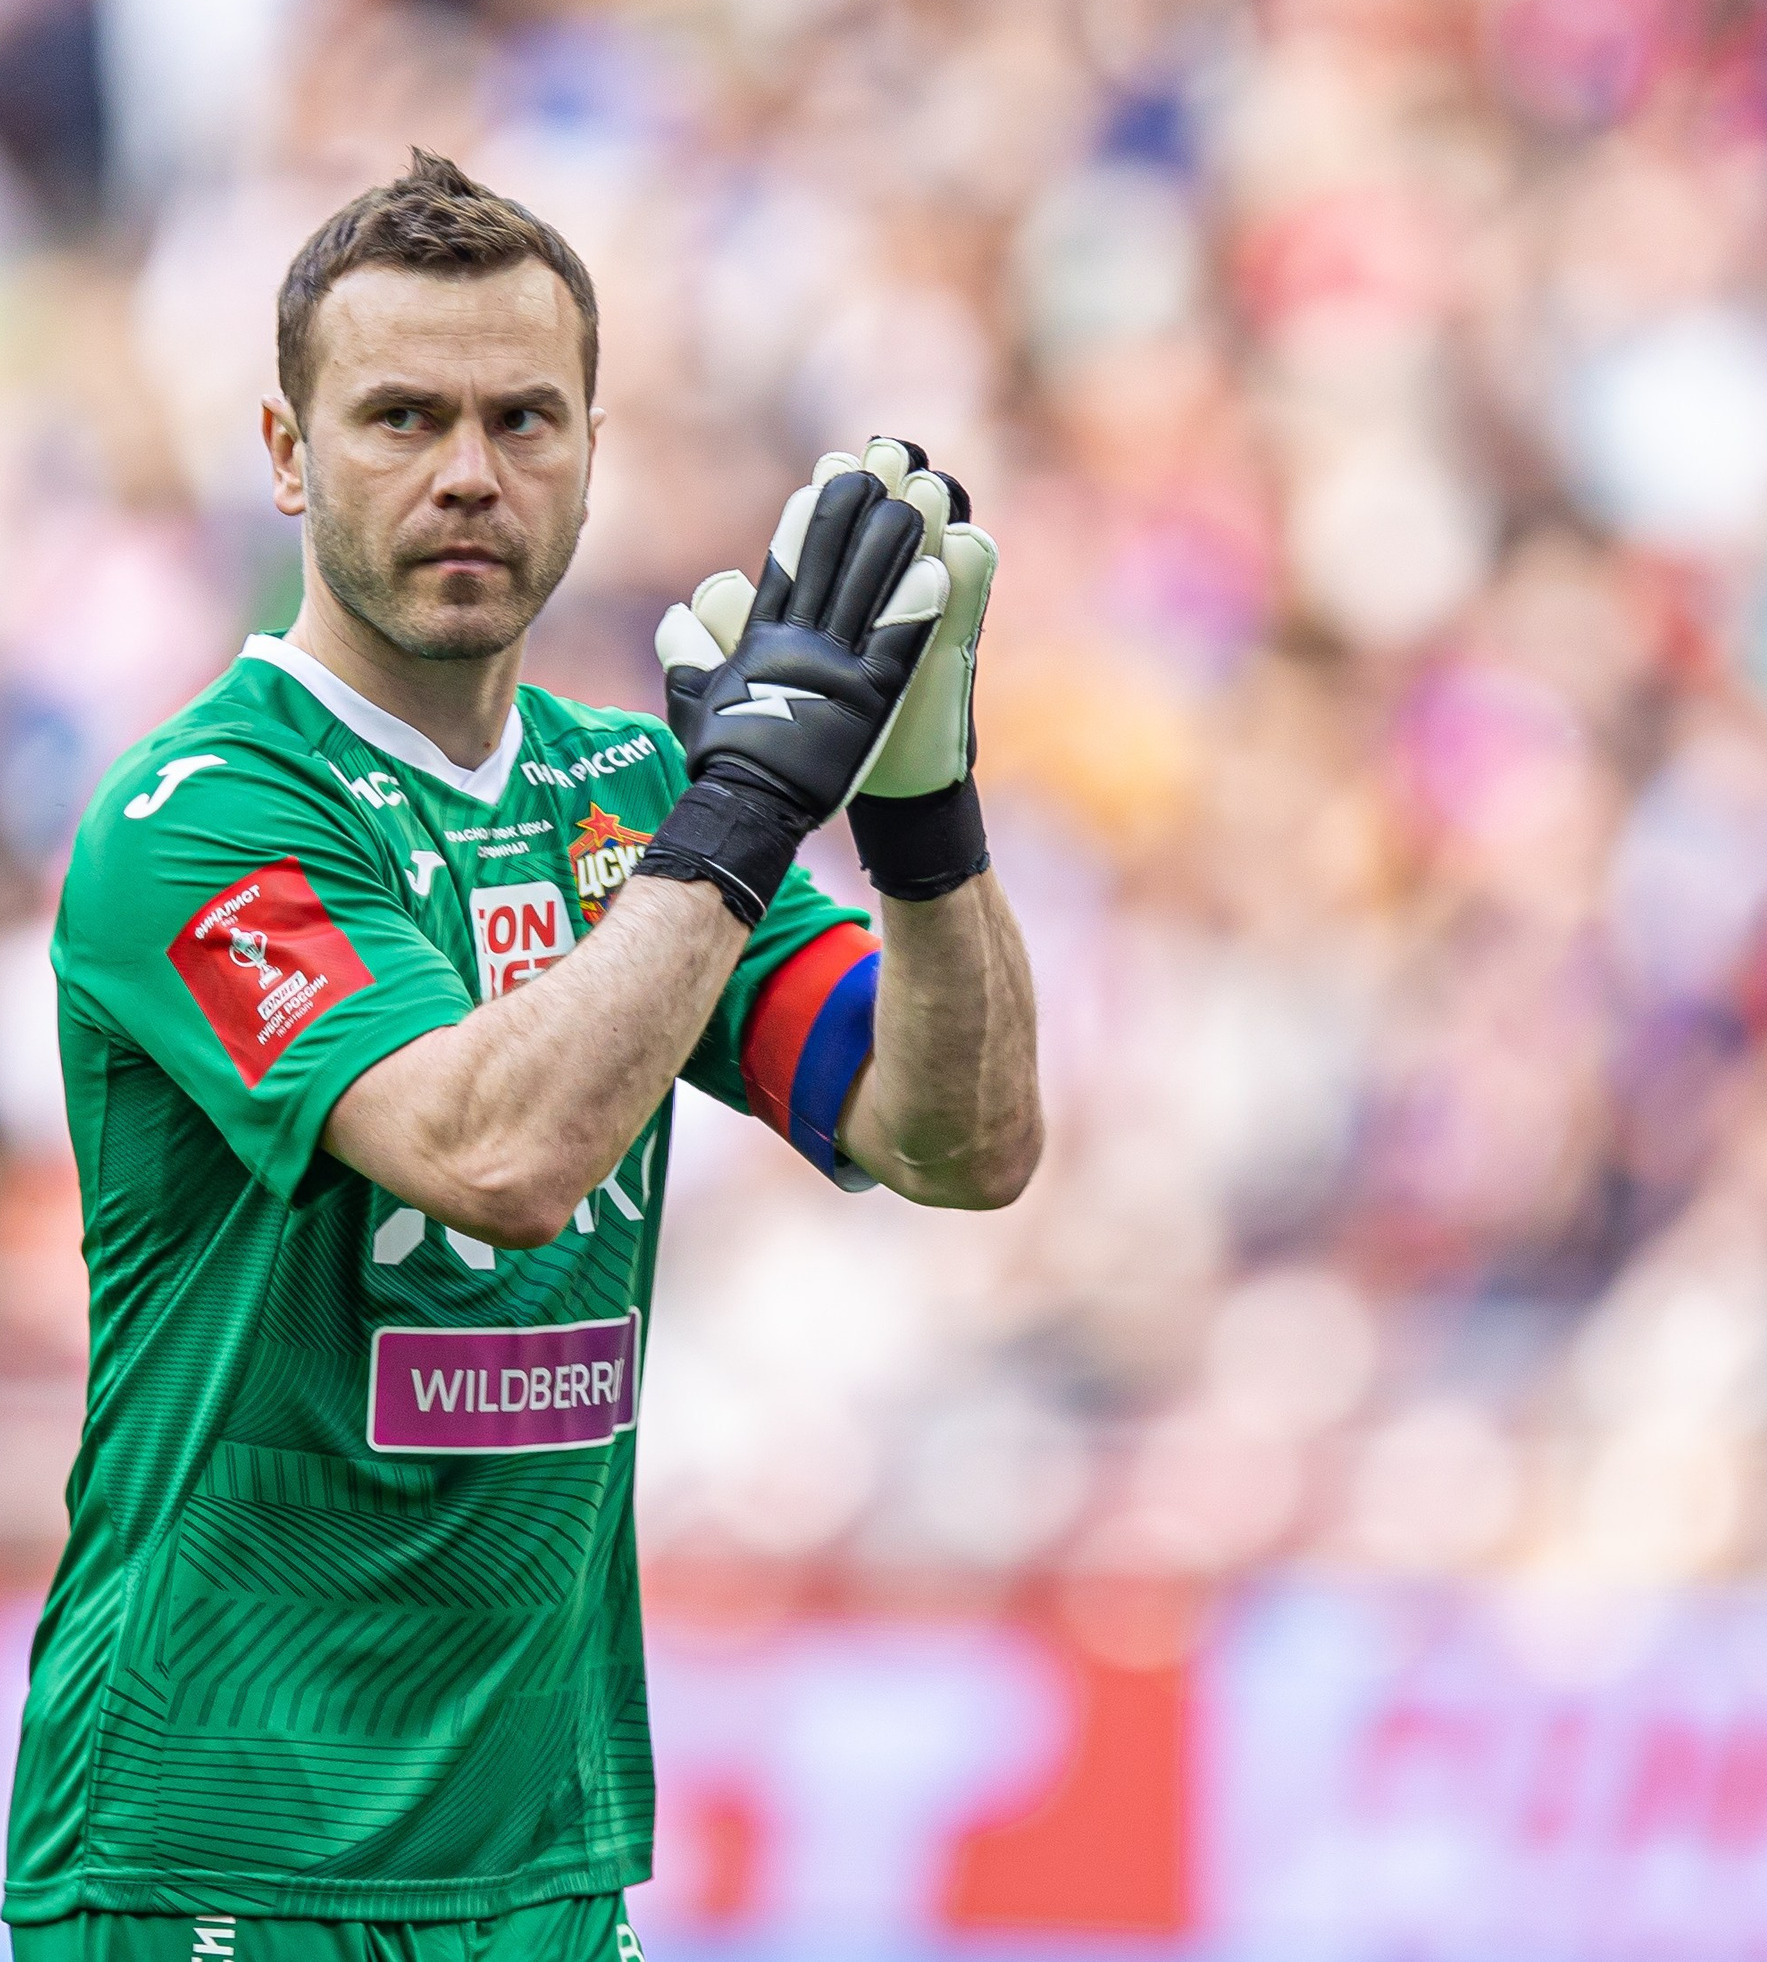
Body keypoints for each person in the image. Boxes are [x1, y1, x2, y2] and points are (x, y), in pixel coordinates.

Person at [4, 150, 1042, 1955]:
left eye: (523, 418)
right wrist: (744, 811)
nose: (470, 471)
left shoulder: (628, 799)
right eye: (402, 416)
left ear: (589, 450)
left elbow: (957, 1140)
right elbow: (494, 1156)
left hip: (541, 1853)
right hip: (213, 1844)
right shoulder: (197, 815)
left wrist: (921, 816)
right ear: (287, 453)